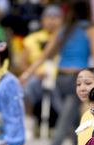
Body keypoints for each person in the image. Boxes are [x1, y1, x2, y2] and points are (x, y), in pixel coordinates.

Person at [20, 0, 94, 145]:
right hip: (80, 80)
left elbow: (44, 56)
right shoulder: (91, 29)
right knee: (63, 128)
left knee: (75, 125)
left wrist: (27, 74)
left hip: (61, 80)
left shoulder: (64, 29)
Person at [19, 4, 64, 138]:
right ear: (42, 20)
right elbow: (22, 64)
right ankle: (28, 126)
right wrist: (34, 73)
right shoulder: (32, 38)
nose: (52, 21)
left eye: (56, 17)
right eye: (48, 17)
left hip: (59, 77)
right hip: (37, 77)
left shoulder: (66, 38)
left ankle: (64, 127)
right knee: (26, 88)